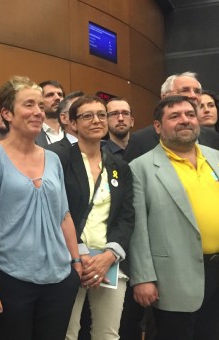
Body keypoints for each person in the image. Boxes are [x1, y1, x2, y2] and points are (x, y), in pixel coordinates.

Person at [128, 95, 219, 340]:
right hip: (172, 276)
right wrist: (143, 278)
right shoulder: (141, 167)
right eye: (175, 116)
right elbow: (138, 229)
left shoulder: (215, 157)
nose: (185, 121)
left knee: (212, 334)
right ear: (158, 127)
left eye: (190, 115)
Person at [0, 76, 81, 340]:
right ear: (7, 113)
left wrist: (76, 264)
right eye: (28, 105)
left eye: (40, 105)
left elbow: (64, 215)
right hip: (9, 277)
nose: (38, 112)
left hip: (59, 278)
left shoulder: (54, 159)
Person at [46, 96, 134, 340]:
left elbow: (127, 216)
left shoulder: (119, 166)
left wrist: (109, 255)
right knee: (67, 333)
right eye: (87, 116)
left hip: (109, 262)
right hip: (69, 260)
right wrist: (80, 253)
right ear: (72, 123)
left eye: (101, 115)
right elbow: (54, 210)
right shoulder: (59, 159)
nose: (97, 120)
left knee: (108, 335)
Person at [123, 72, 219, 163]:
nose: (193, 95)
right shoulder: (141, 141)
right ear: (165, 96)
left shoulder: (215, 139)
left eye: (197, 91)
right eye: (185, 90)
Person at [36, 80, 65, 146]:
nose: (57, 98)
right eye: (50, 95)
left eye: (60, 95)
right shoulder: (31, 133)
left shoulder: (73, 129)